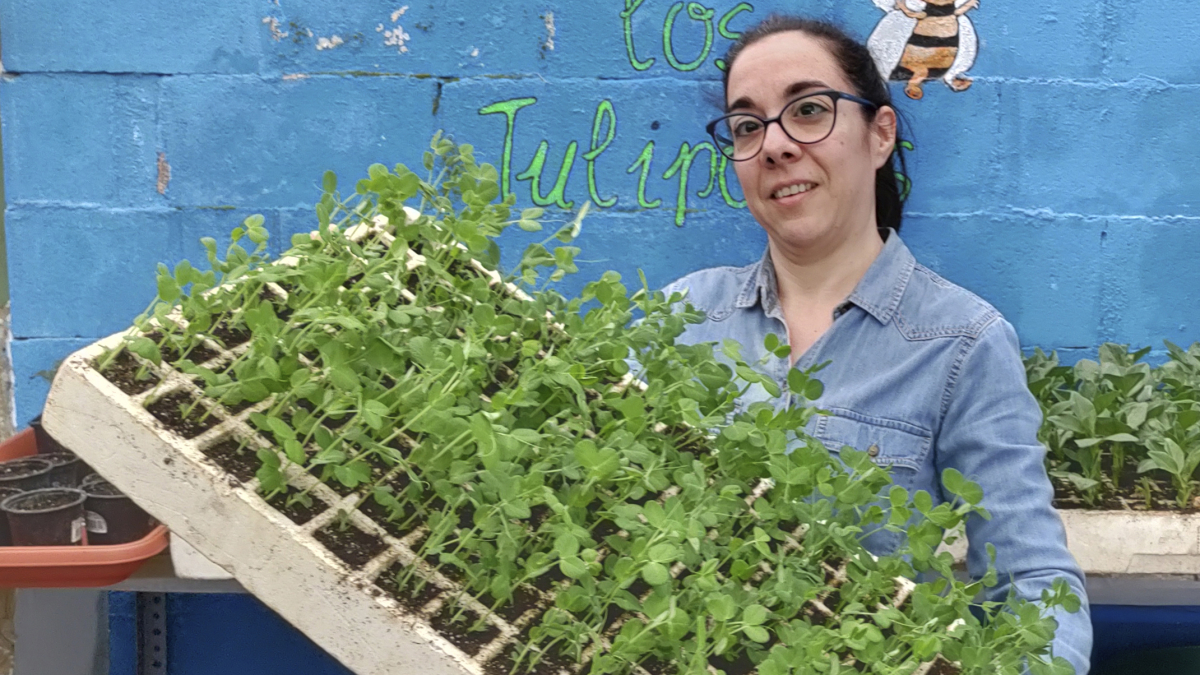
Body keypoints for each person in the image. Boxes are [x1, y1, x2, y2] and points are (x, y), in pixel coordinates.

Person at [659, 14, 1092, 673]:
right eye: (748, 125)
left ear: (880, 133)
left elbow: (1032, 580)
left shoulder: (961, 342)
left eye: (808, 111)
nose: (774, 145)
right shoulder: (682, 313)